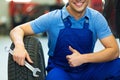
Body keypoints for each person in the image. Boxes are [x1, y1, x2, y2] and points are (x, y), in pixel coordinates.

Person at [10, 0, 120, 80]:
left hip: (87, 68)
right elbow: (18, 29)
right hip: (61, 71)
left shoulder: (96, 18)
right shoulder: (53, 18)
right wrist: (19, 46)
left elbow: (114, 50)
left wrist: (83, 58)